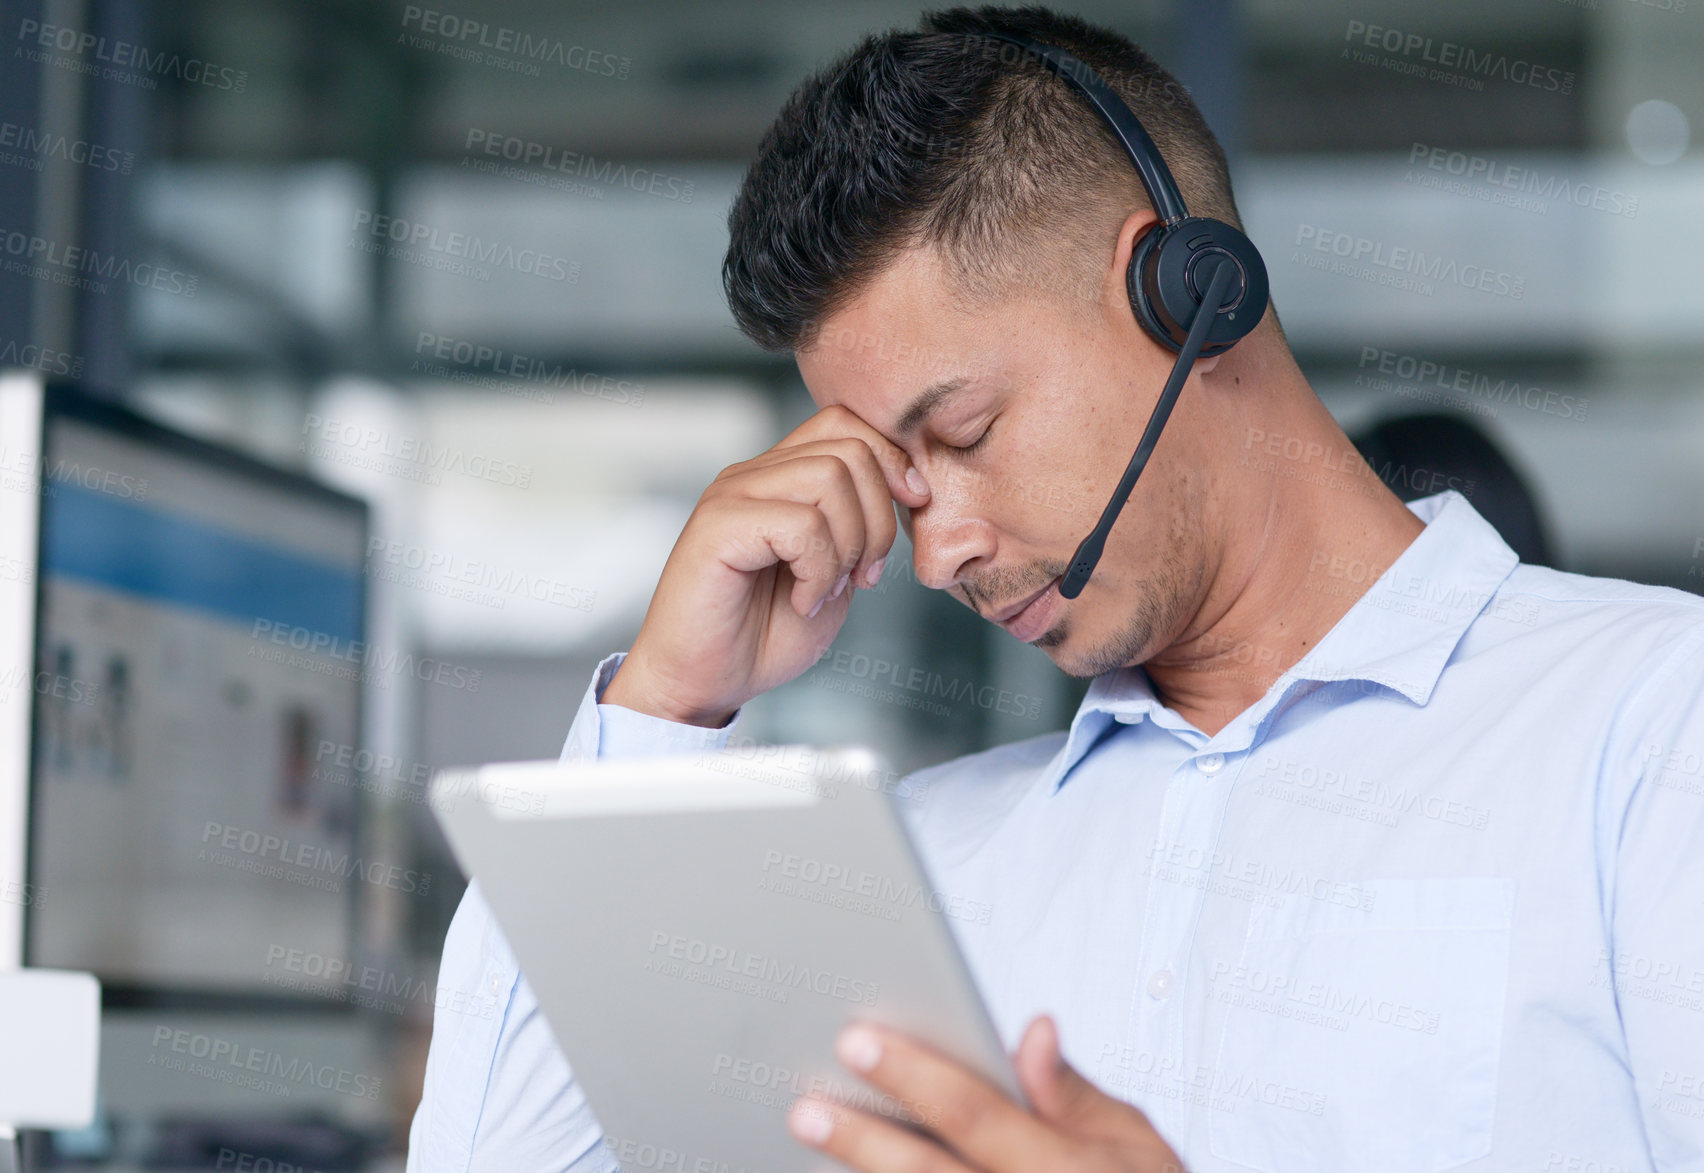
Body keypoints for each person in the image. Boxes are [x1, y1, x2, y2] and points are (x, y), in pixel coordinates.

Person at [408, 7, 1704, 1172]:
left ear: (1183, 291)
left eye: (961, 435)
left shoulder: (1651, 728)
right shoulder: (914, 861)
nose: (940, 551)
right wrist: (665, 707)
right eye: (898, 487)